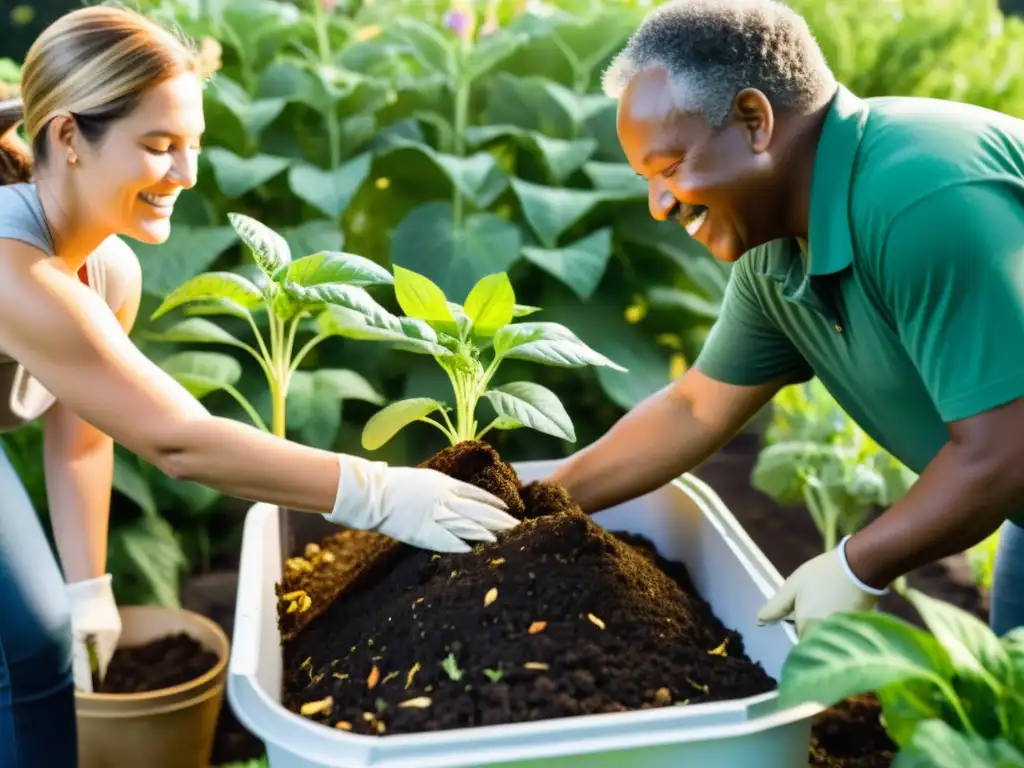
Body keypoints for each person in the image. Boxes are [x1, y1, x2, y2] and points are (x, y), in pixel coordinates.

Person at [0, 7, 518, 765]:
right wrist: (377, 492)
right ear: (70, 137)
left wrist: (89, 587)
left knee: (40, 641)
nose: (187, 175)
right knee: (28, 648)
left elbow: (81, 439)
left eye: (193, 146)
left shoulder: (110, 270)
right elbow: (175, 439)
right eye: (159, 146)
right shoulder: (15, 267)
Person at [548, 0, 1024, 641]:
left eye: (668, 168)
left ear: (753, 121)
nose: (658, 205)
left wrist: (857, 566)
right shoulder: (776, 256)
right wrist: (535, 502)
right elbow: (694, 409)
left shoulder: (920, 198)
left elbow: (1004, 450)